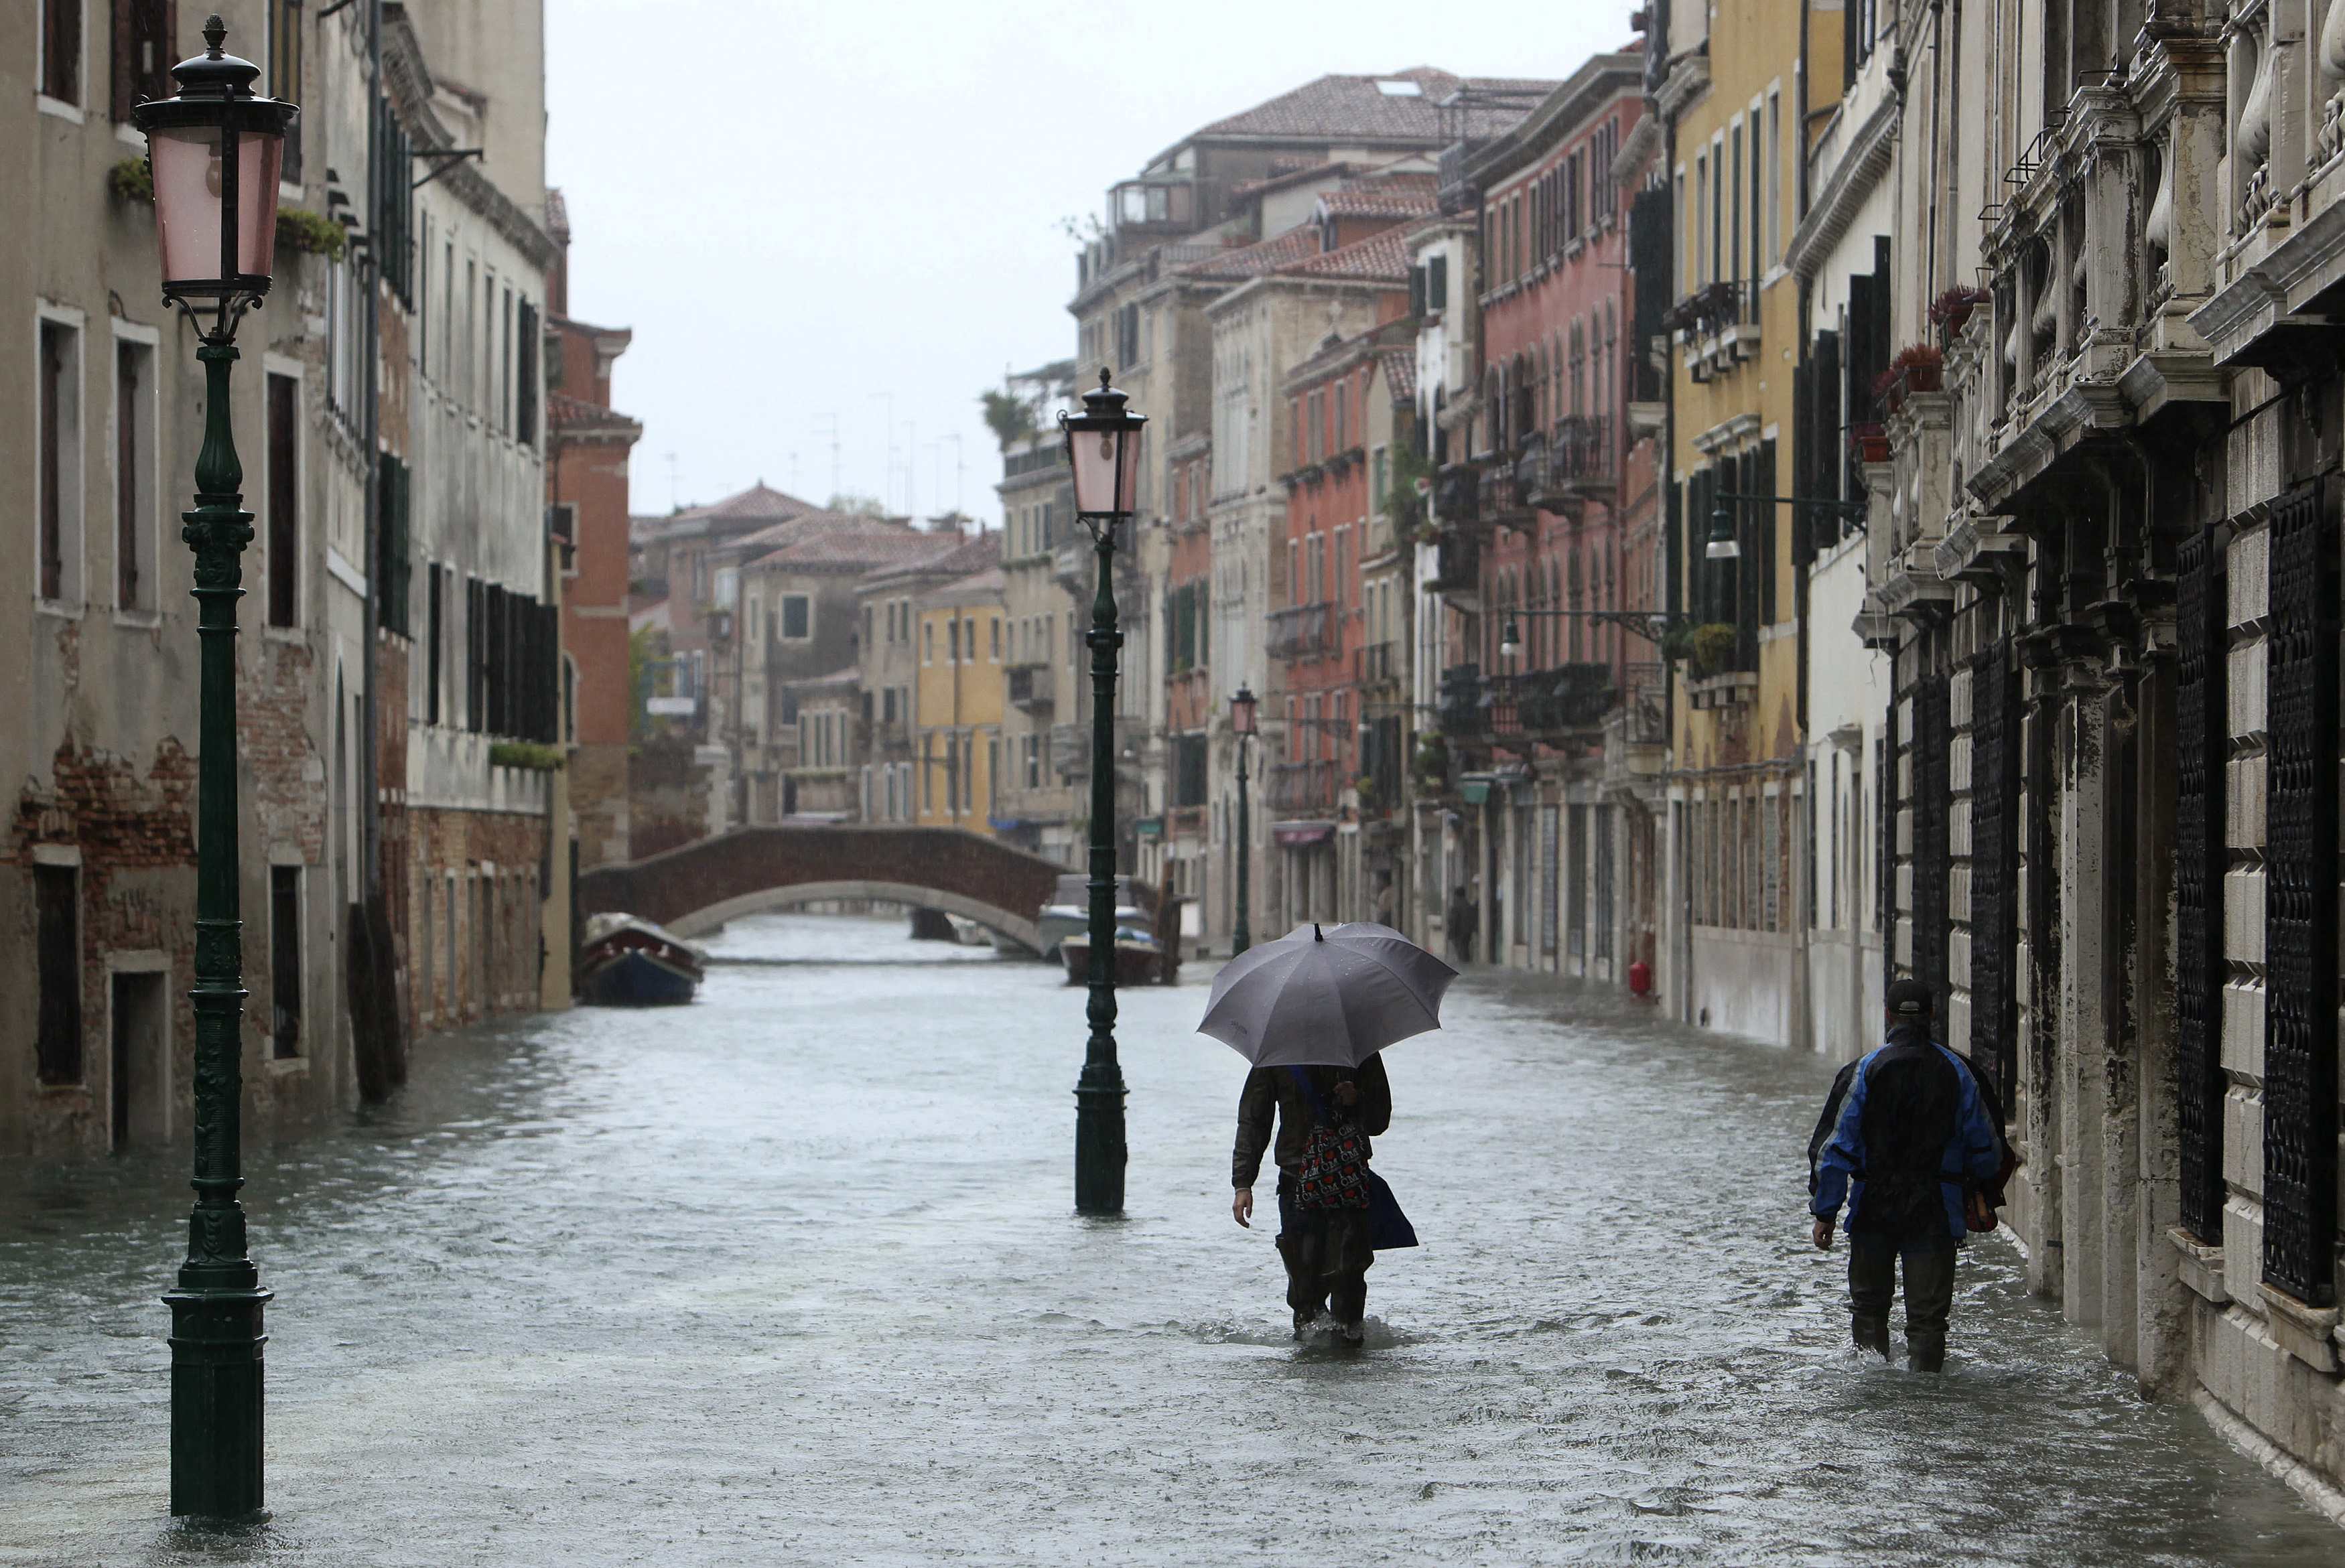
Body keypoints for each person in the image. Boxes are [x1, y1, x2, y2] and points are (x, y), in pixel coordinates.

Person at [1808, 978, 2005, 1372]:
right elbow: (1986, 1147)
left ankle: (1874, 1390)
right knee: (1928, 1320)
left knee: (1868, 1308)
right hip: (1935, 1209)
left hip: (1872, 1208)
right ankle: (1928, 1396)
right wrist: (1978, 1186)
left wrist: (1825, 1212)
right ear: (1933, 1016)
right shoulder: (1959, 1071)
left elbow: (1833, 1150)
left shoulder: (1864, 1069)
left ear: (1888, 1015)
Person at [1232, 1056, 1392, 1344]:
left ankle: (1349, 1352)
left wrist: (1357, 1100)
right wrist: (1243, 1183)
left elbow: (1380, 1120)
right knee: (1304, 1282)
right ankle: (1308, 1361)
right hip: (1296, 1179)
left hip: (1348, 1179)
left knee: (1349, 1277)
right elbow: (1254, 1121)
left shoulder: (1359, 1049)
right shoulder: (1276, 1054)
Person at [1445, 885, 1477, 964]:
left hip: (1458, 935)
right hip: (1467, 934)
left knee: (1461, 955)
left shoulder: (1456, 907)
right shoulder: (1468, 905)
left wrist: (1451, 934)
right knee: (1466, 953)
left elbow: (1453, 921)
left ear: (1456, 896)